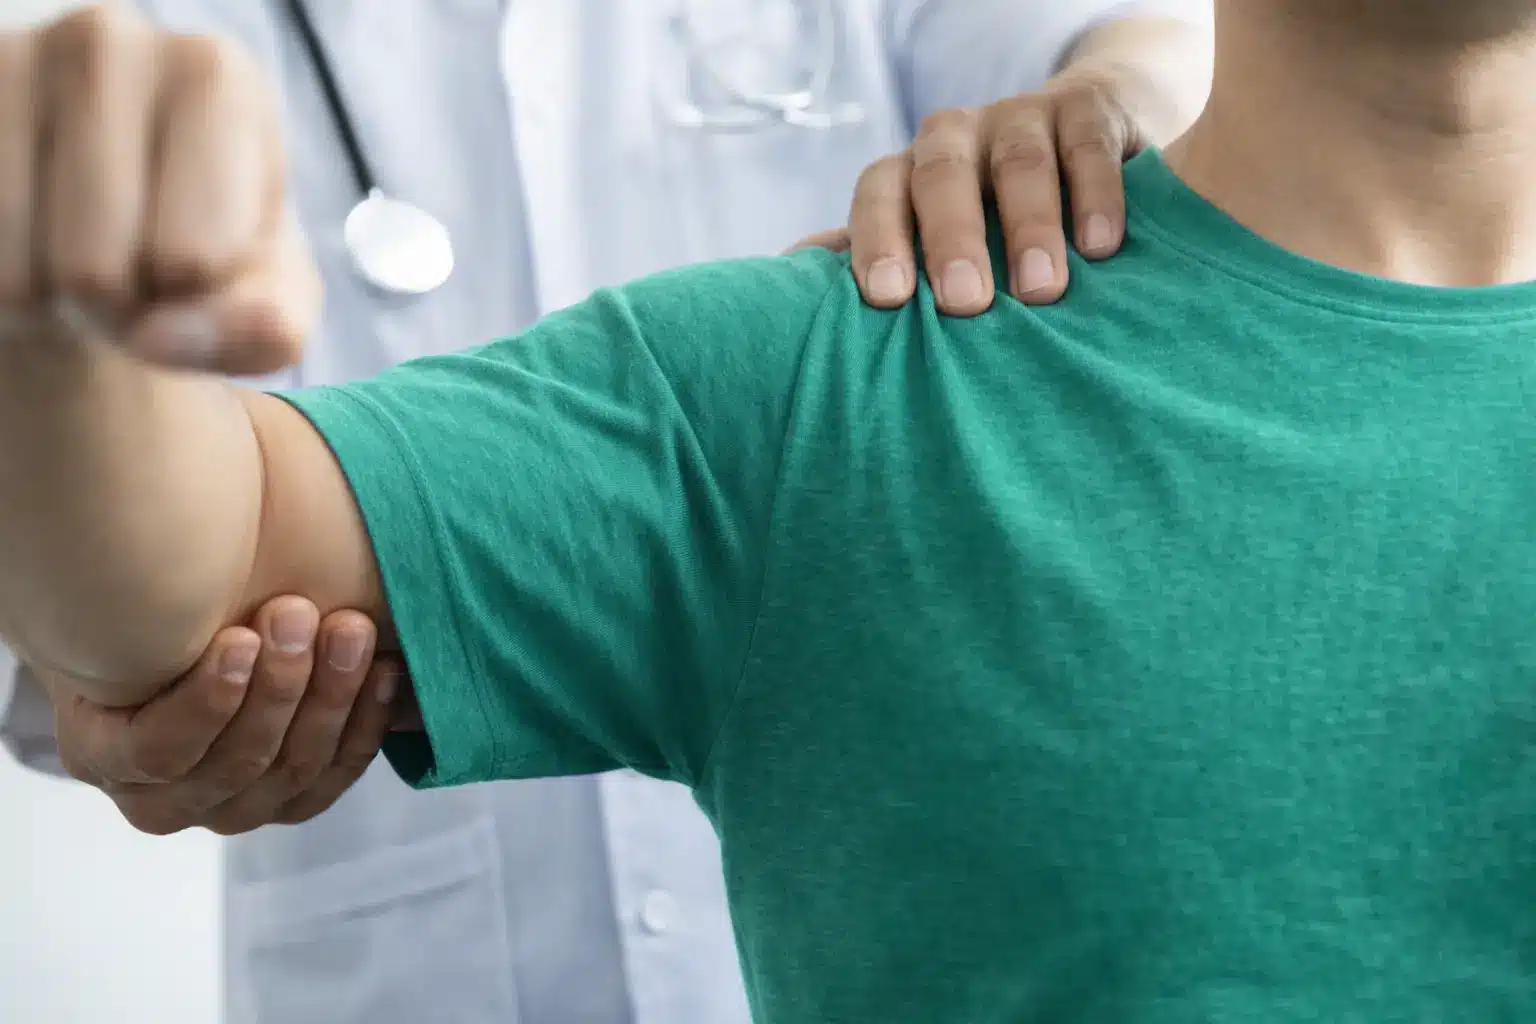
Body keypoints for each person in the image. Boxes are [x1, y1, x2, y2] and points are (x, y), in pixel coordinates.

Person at [0, 2, 1214, 1022]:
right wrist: (64, 435)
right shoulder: (126, 43)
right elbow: (134, 591)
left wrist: (1115, 99)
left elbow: (1145, 62)